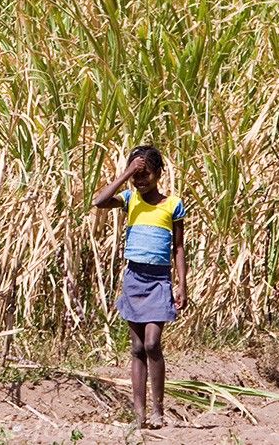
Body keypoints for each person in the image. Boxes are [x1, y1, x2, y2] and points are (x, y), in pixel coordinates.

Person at [93, 145, 187, 429]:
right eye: (137, 175)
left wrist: (182, 284)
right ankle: (140, 414)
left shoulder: (172, 205)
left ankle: (158, 410)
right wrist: (126, 174)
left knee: (152, 343)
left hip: (159, 280)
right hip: (134, 277)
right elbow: (99, 201)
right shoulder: (129, 198)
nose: (141, 180)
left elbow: (179, 248)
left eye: (145, 173)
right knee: (136, 348)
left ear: (159, 173)